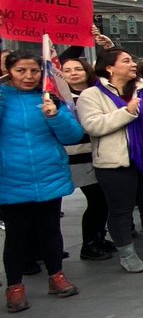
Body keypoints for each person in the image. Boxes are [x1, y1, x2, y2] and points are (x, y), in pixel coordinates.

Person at [77, 48, 143, 273]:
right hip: (115, 163)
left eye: (133, 60)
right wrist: (127, 112)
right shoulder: (92, 95)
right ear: (109, 67)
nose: (133, 64)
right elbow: (93, 126)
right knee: (120, 209)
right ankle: (127, 252)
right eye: (126, 61)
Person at [1, 51, 84, 312]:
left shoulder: (52, 98)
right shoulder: (2, 98)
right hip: (10, 178)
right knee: (16, 235)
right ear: (9, 72)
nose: (28, 77)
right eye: (21, 71)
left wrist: (55, 115)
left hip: (49, 175)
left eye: (34, 71)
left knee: (50, 230)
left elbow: (73, 136)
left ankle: (56, 276)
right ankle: (15, 286)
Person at [59, 57, 116, 261]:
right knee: (96, 200)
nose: (74, 73)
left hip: (100, 152)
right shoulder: (60, 98)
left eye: (78, 69)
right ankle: (89, 244)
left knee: (103, 201)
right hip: (76, 155)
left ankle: (98, 238)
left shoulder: (98, 93)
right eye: (67, 70)